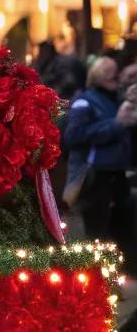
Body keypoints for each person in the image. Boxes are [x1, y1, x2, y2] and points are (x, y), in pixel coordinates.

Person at [62, 56, 135, 269]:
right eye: (107, 70)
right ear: (95, 75)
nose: (114, 74)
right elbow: (73, 136)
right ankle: (96, 281)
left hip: (118, 175)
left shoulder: (117, 100)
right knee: (97, 233)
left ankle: (121, 279)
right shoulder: (84, 101)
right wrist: (116, 124)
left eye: (115, 70)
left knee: (123, 230)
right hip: (94, 177)